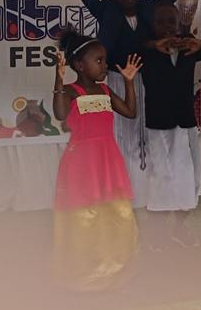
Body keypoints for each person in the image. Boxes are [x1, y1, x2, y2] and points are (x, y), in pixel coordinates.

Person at [77, 0, 186, 208]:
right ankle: (124, 187)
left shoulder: (149, 7)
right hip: (116, 78)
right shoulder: (106, 9)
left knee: (149, 130)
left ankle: (151, 187)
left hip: (149, 78)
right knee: (121, 132)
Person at [51, 29, 141, 290]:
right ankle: (84, 271)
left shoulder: (105, 90)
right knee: (84, 216)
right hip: (82, 163)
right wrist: (58, 79)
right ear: (79, 65)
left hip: (107, 159)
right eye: (98, 61)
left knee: (118, 213)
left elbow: (130, 112)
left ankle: (114, 266)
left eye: (104, 59)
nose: (104, 65)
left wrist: (128, 82)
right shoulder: (70, 91)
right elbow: (59, 114)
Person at [139, 3, 201, 248]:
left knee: (190, 181)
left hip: (186, 124)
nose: (167, 27)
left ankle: (178, 228)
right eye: (161, 22)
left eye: (171, 22)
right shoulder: (147, 50)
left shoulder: (189, 47)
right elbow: (123, 50)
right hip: (158, 126)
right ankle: (157, 234)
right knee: (160, 182)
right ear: (153, 26)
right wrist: (152, 45)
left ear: (179, 24)